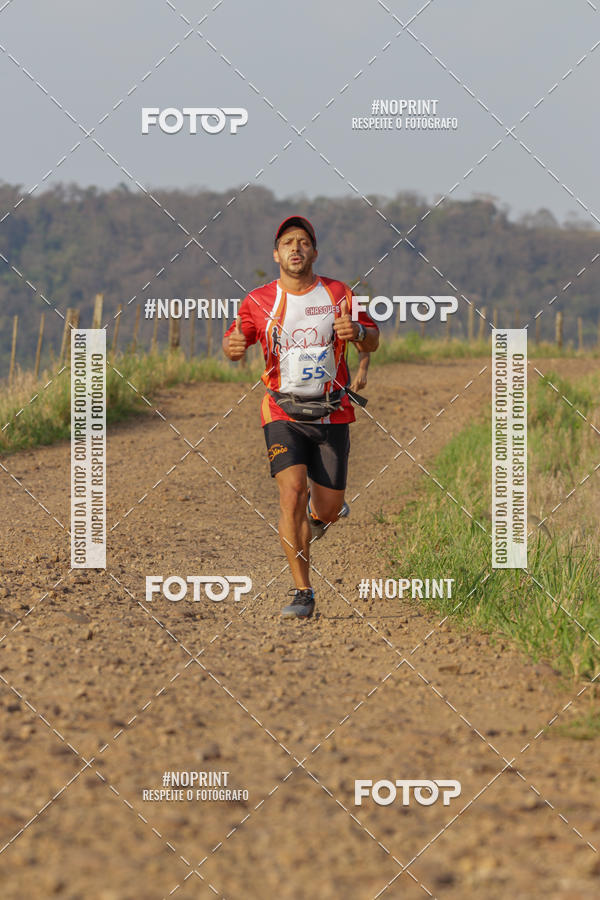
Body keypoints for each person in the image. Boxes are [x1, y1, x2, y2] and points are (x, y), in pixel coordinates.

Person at [223, 216, 379, 620]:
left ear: (314, 251)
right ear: (276, 254)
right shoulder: (258, 300)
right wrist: (233, 346)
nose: (296, 248)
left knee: (327, 509)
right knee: (290, 492)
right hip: (281, 410)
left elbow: (373, 337)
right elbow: (234, 342)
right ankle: (302, 591)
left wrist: (358, 334)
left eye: (304, 242)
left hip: (331, 412)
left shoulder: (339, 292)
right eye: (288, 242)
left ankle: (318, 516)